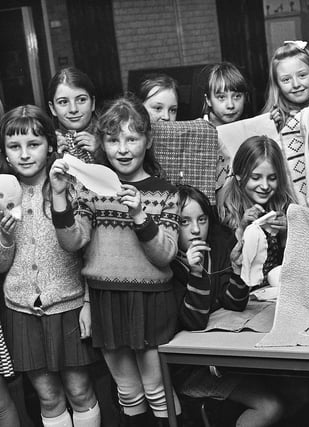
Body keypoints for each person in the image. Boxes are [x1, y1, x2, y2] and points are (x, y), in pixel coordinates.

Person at [49, 96, 183, 425]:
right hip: (104, 297)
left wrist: (139, 215)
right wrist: (57, 195)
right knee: (128, 391)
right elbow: (72, 241)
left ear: (147, 140)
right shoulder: (90, 190)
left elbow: (165, 255)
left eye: (131, 139)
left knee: (158, 390)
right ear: (103, 144)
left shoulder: (166, 193)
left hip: (151, 300)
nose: (122, 149)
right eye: (112, 140)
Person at [0, 105, 100, 427]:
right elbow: (1, 265)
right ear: (4, 151)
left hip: (68, 306)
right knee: (47, 396)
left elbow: (89, 249)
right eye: (14, 146)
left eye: (34, 144)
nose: (25, 154)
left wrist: (88, 302)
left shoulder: (70, 186)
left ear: (49, 144)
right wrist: (4, 238)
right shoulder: (2, 194)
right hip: (20, 309)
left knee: (80, 390)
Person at [171, 184, 285, 426]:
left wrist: (237, 270)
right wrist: (196, 273)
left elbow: (233, 304)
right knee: (270, 406)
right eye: (184, 221)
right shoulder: (168, 265)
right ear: (170, 224)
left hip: (221, 356)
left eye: (201, 220)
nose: (195, 230)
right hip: (191, 368)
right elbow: (194, 321)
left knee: (296, 391)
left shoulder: (217, 248)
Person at [218, 136, 297, 289]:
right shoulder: (227, 209)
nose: (265, 186)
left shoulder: (285, 206)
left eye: (272, 178)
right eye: (256, 178)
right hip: (239, 295)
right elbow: (224, 267)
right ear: (239, 175)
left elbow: (294, 267)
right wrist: (241, 230)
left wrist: (287, 235)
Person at [261, 41, 309, 209]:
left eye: (302, 75)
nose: (296, 84)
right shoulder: (273, 119)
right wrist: (276, 132)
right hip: (289, 207)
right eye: (286, 79)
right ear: (277, 84)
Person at [47, 67, 101, 163]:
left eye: (81, 100)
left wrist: (101, 151)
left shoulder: (111, 137)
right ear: (52, 108)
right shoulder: (45, 143)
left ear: (93, 103)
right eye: (63, 102)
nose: (73, 109)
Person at [202, 62, 250, 126]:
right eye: (221, 97)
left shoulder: (252, 128)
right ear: (208, 100)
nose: (230, 105)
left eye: (237, 96)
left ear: (245, 97)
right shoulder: (199, 133)